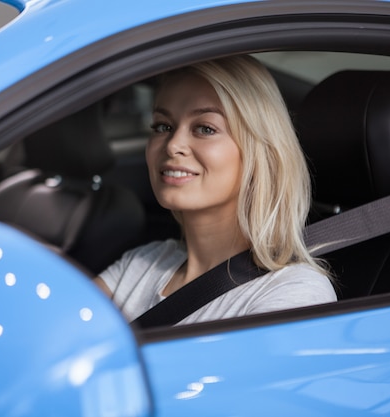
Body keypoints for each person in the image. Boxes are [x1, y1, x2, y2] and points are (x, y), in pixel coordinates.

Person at [93, 55, 337, 325]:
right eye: (163, 126)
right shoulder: (144, 262)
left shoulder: (294, 292)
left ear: (259, 153)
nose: (173, 144)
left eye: (205, 128)